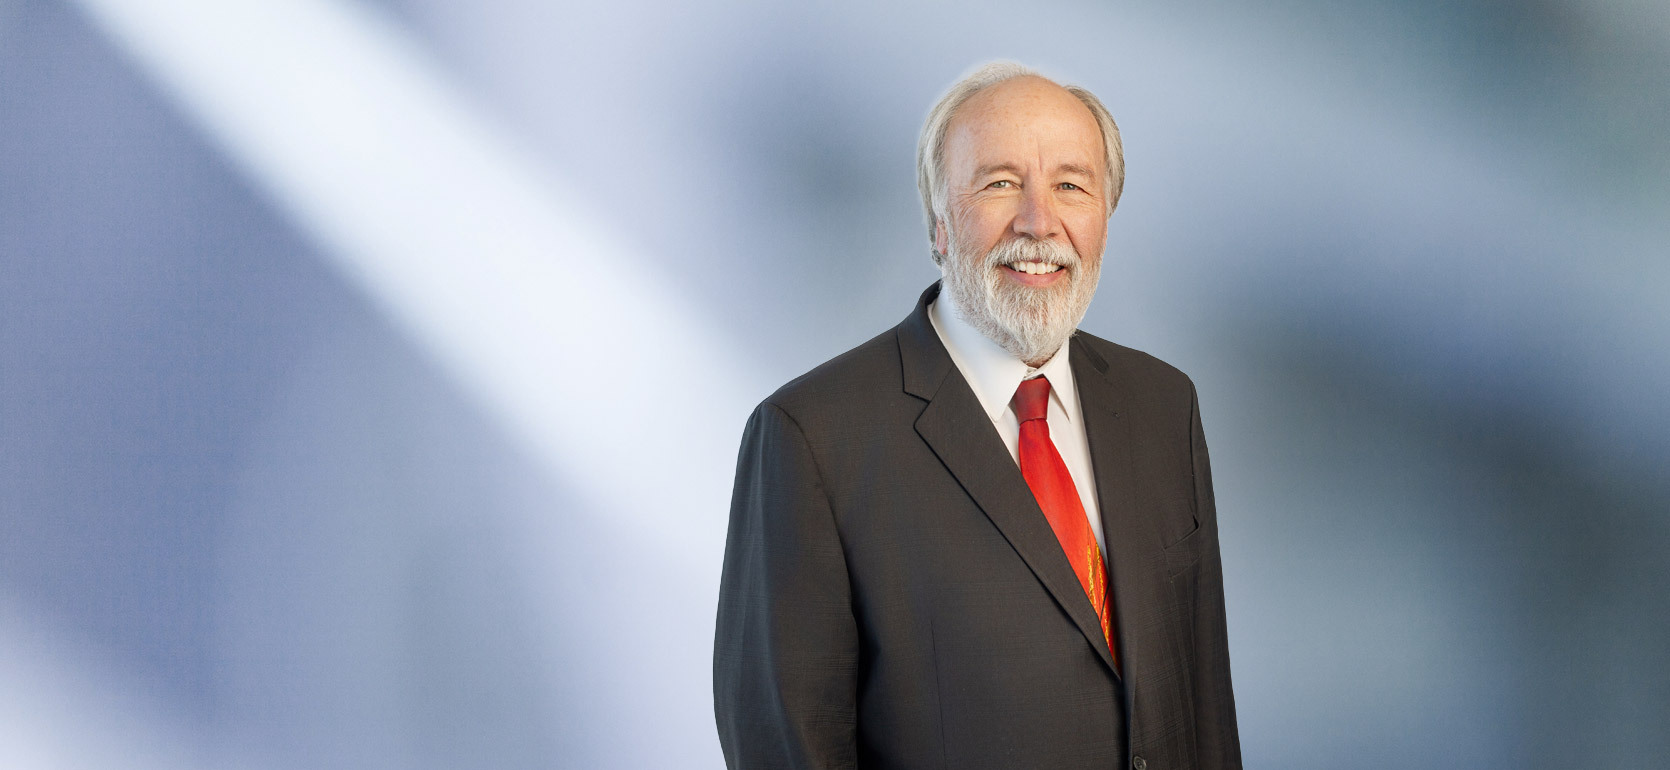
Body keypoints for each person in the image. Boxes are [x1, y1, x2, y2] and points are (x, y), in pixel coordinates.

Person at [714, 61, 1240, 769]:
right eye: (999, 184)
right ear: (937, 222)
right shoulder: (810, 441)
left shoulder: (1163, 405)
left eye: (1071, 186)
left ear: (1106, 219)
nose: (1038, 222)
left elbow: (1203, 708)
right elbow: (787, 747)